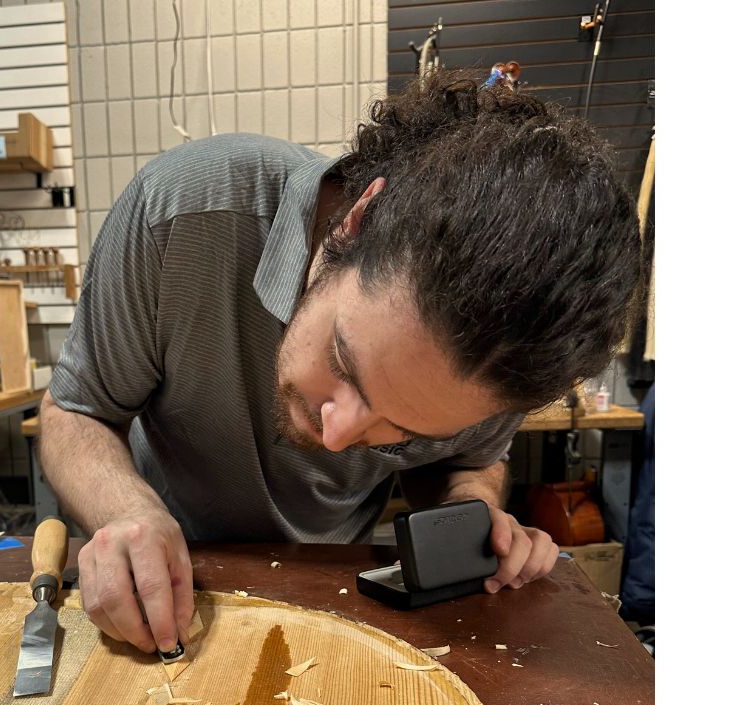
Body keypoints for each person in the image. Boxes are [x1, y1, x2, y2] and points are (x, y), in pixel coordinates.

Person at [39, 69, 642, 655]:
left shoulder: (512, 354)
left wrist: (470, 517)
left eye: (400, 430)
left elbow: (467, 463)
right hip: (158, 588)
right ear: (354, 223)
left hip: (337, 590)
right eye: (342, 362)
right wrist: (125, 511)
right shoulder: (185, 211)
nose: (336, 436)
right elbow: (76, 410)